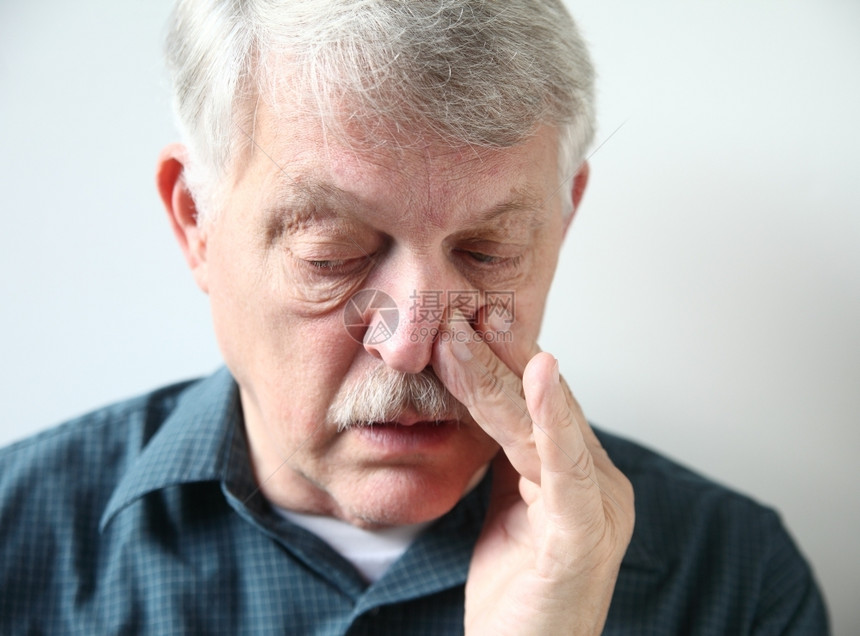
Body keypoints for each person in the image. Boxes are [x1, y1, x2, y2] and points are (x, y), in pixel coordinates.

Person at [0, 0, 828, 633]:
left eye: (488, 251)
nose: (413, 344)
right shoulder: (17, 543)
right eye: (334, 255)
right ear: (197, 222)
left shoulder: (734, 579)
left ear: (562, 222)